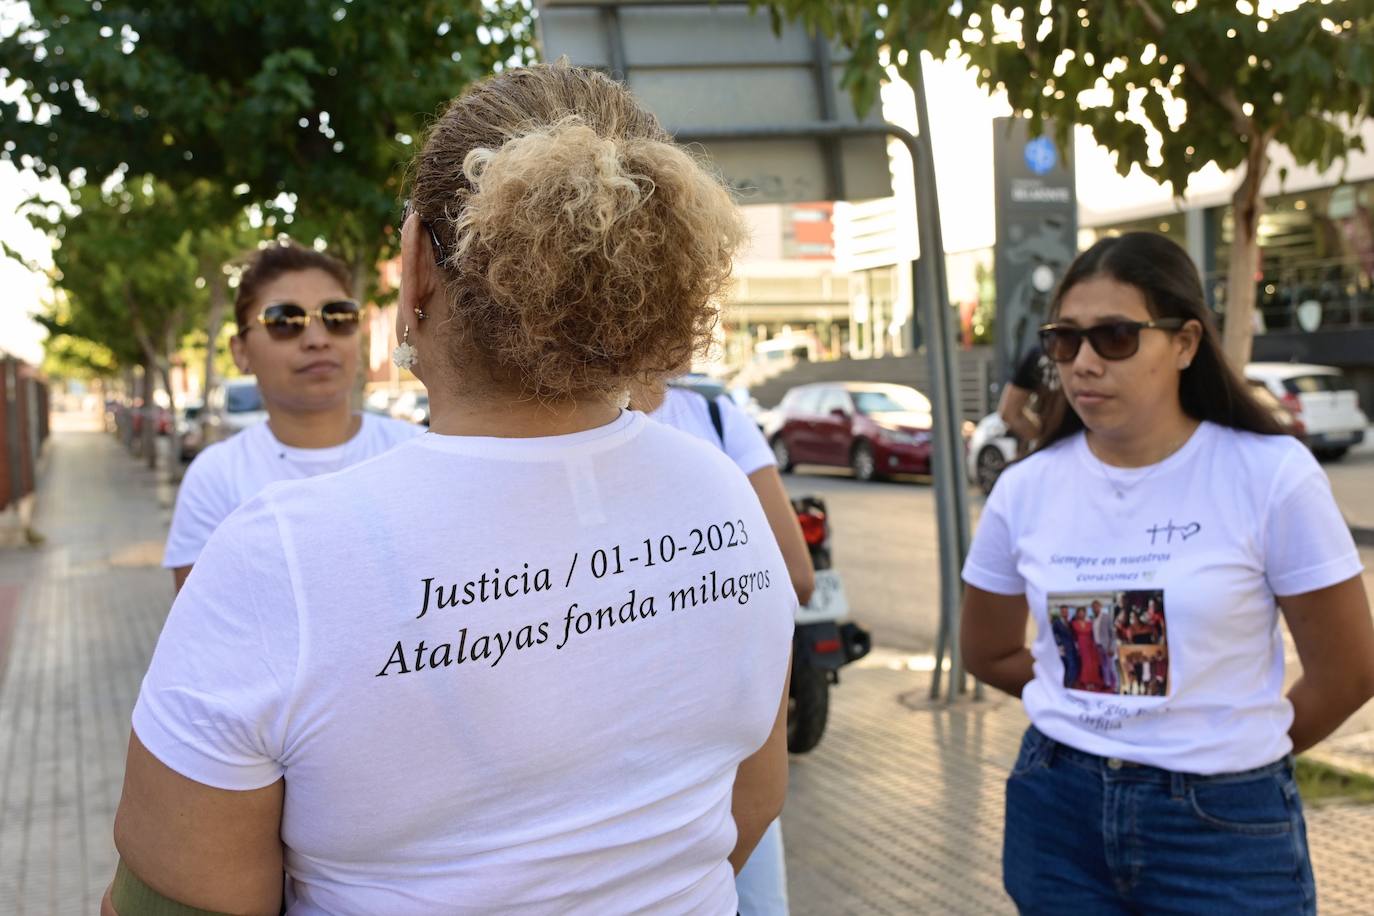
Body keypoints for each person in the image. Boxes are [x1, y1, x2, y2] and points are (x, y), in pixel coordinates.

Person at [106, 63, 793, 915]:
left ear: (415, 270)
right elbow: (752, 802)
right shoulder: (724, 496)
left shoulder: (279, 556)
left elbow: (174, 901)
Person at [960, 231, 1374, 913]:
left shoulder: (1270, 476)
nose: (1084, 363)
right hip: (1059, 813)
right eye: (1065, 341)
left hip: (1224, 826)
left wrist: (1235, 745)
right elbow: (987, 649)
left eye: (1116, 337)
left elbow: (1351, 671)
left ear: (1184, 343)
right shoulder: (1025, 489)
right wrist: (1096, 701)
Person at [636, 379, 816, 916]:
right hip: (708, 760)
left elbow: (795, 576)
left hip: (714, 770)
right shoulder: (708, 419)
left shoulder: (713, 414)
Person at [163, 242, 421, 591]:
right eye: (285, 320)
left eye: (338, 317)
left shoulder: (414, 454)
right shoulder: (215, 480)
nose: (317, 339)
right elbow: (201, 634)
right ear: (240, 352)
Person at [997, 343, 1054, 454]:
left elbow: (1009, 412)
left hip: (1051, 452)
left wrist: (1044, 437)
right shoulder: (1092, 352)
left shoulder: (1040, 354)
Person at [1069, 608, 1103, 691]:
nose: (1081, 614)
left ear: (1085, 613)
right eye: (1080, 612)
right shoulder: (1074, 623)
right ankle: (1086, 682)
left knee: (1092, 663)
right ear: (1077, 614)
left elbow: (1094, 634)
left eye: (1083, 612)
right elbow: (1072, 636)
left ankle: (1092, 682)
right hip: (1081, 644)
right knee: (1085, 663)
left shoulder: (1089, 623)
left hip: (1090, 644)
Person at [1090, 599, 1118, 692]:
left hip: (1107, 646)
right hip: (1098, 646)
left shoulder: (1106, 617)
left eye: (1096, 606)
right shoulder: (1094, 619)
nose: (1095, 608)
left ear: (1100, 606)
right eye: (1093, 607)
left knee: (1111, 666)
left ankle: (1116, 686)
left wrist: (1112, 647)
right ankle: (1107, 684)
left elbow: (1113, 634)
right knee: (1104, 666)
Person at [1050, 605, 1080, 689]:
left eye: (1066, 611)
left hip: (1073, 648)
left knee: (1074, 665)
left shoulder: (1070, 622)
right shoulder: (1057, 622)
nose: (1065, 613)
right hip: (1064, 648)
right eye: (1063, 611)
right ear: (1060, 612)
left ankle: (1070, 683)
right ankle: (1067, 684)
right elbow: (1054, 634)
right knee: (1068, 666)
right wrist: (1060, 644)